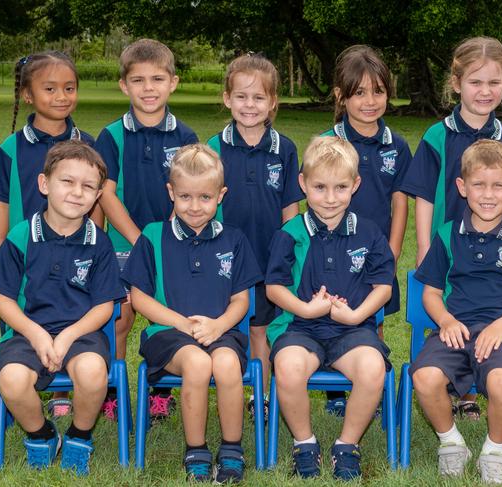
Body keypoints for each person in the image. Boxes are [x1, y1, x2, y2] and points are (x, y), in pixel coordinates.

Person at [401, 36, 502, 419]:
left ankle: (472, 396)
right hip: (450, 248)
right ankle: (456, 385)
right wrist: (425, 248)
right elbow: (423, 196)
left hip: (497, 249)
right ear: (456, 83)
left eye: (493, 82)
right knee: (453, 310)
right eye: (475, 82)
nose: (484, 91)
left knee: (490, 309)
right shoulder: (436, 136)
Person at [410, 139, 502, 484]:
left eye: (498, 186)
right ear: (462, 187)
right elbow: (430, 294)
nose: (488, 195)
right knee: (424, 378)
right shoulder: (446, 235)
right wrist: (445, 320)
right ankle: (452, 443)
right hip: (455, 329)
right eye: (479, 185)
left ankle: (494, 449)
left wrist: (500, 327)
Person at [121, 144, 262, 483]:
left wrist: (218, 326)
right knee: (198, 364)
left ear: (221, 195)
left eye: (204, 197)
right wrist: (182, 323)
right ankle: (196, 450)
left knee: (227, 364)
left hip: (221, 330)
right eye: (185, 196)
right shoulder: (152, 237)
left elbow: (241, 301)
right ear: (171, 192)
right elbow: (139, 298)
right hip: (167, 334)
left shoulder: (235, 240)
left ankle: (231, 449)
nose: (195, 207)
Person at [0, 140, 125, 475]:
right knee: (13, 379)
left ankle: (79, 435)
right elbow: (2, 299)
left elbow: (104, 307)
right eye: (68, 181)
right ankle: (43, 434)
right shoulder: (21, 236)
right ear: (44, 184)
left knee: (93, 372)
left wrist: (67, 337)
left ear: (97, 196)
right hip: (27, 331)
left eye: (88, 186)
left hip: (82, 334)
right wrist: (36, 334)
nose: (78, 192)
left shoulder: (99, 242)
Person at [265, 136, 395, 480]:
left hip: (352, 329)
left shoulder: (369, 233)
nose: (330, 198)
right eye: (320, 187)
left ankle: (346, 444)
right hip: (299, 328)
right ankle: (304, 442)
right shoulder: (289, 233)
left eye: (340, 187)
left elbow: (384, 287)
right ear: (303, 184)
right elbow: (274, 288)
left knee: (371, 368)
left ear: (356, 185)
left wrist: (355, 315)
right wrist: (306, 310)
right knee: (289, 368)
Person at [0, 51, 95, 419]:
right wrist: (4, 253)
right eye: (50, 88)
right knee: (26, 327)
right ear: (29, 95)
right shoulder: (10, 149)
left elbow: (98, 203)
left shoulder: (88, 144)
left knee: (74, 319)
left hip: (75, 253)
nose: (61, 96)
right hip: (25, 258)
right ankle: (29, 389)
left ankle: (71, 393)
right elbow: (0, 206)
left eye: (69, 88)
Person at [95, 38, 199, 419]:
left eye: (157, 78)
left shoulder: (185, 136)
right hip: (125, 243)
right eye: (138, 80)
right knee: (119, 319)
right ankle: (112, 390)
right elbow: (105, 193)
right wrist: (141, 240)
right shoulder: (111, 136)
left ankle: (160, 393)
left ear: (173, 82)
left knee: (168, 316)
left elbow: (192, 191)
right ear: (124, 85)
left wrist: (163, 240)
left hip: (173, 245)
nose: (148, 88)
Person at [208, 53, 304, 418]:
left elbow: (291, 209)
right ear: (227, 99)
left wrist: (288, 254)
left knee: (261, 329)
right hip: (225, 260)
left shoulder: (286, 149)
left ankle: (259, 396)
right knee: (230, 327)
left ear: (273, 102)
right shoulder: (213, 148)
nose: (250, 105)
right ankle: (226, 388)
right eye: (242, 97)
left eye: (259, 98)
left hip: (268, 259)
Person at [320, 44, 411, 416]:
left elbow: (400, 201)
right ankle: (335, 392)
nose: (370, 101)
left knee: (372, 321)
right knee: (329, 315)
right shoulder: (328, 144)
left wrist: (390, 252)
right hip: (330, 252)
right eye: (359, 93)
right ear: (342, 96)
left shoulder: (398, 146)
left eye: (378, 91)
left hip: (376, 254)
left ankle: (368, 388)